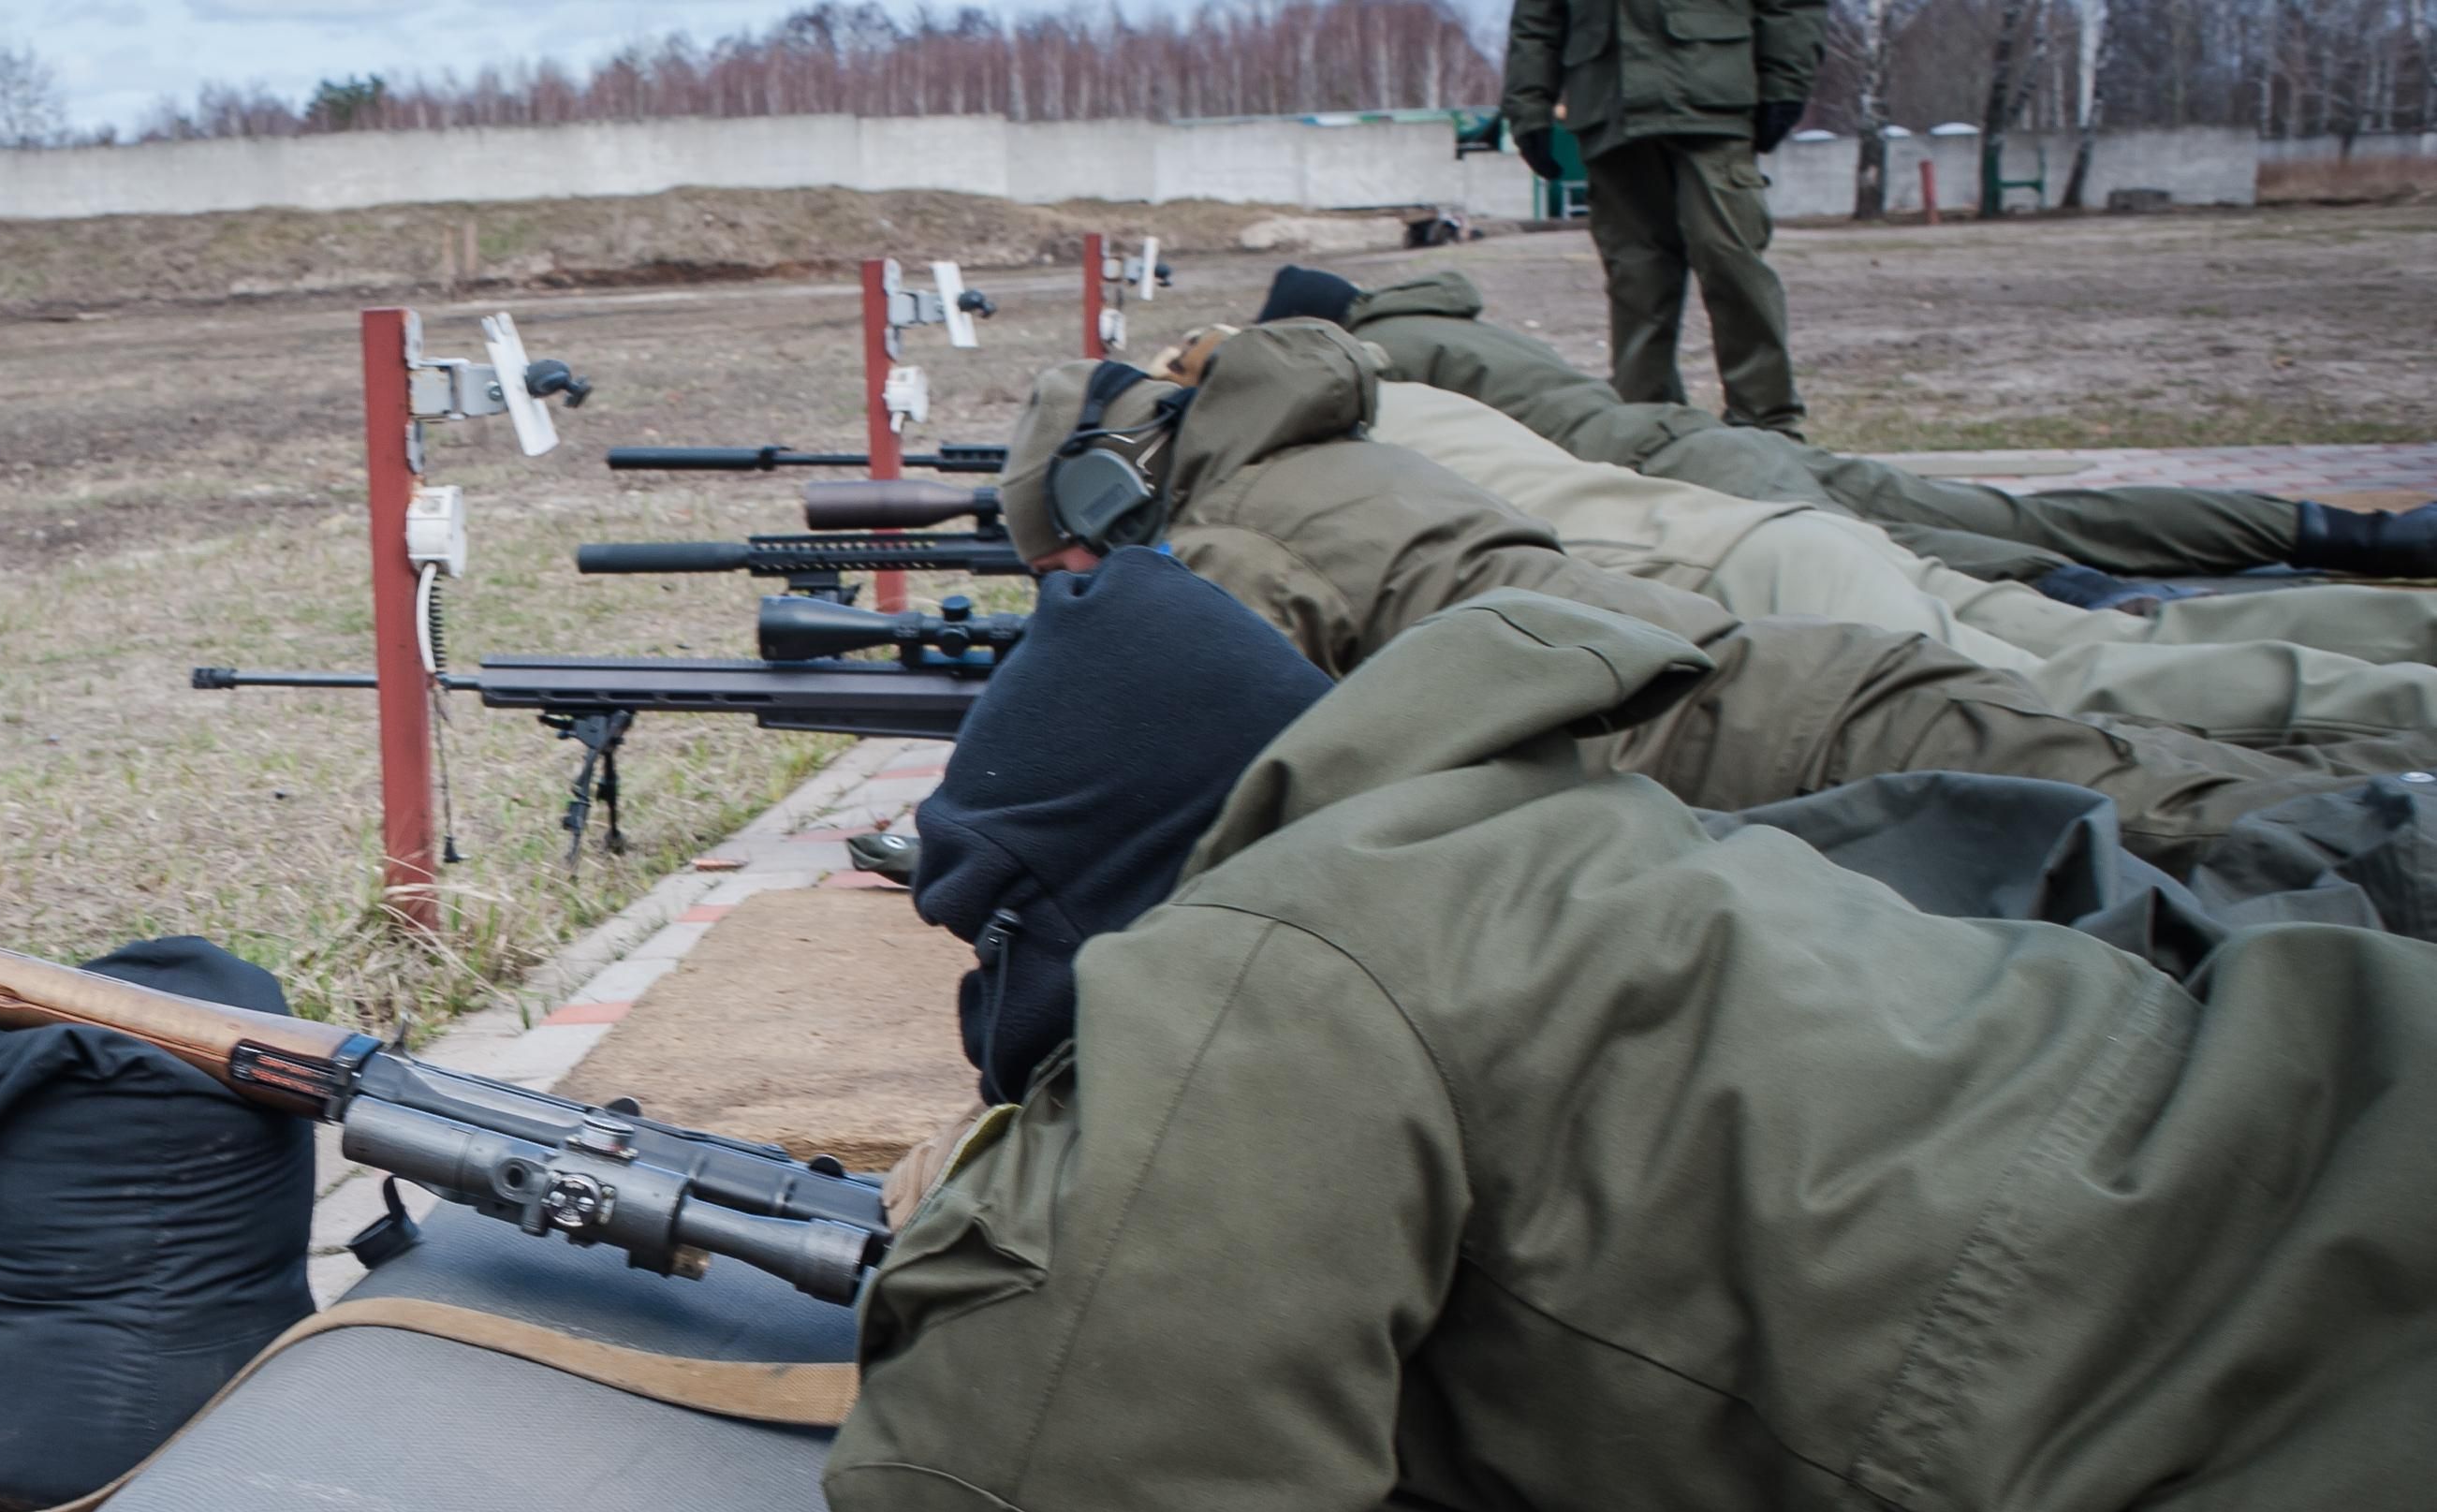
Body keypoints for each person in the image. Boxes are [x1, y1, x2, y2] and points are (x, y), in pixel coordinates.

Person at [829, 558, 2437, 1512]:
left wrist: (1017, 1198)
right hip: (2315, 1091)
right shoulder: (1539, 824)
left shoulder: (1283, 941)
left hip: (2276, 1332)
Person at [994, 333, 2386, 873]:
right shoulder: (1325, 457)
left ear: (1116, 501)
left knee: (2231, 834)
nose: (1083, 596)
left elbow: (1236, 808)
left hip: (1767, 733)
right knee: (2199, 756)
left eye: (1068, 566)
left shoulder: (1241, 543)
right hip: (1786, 668)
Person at [1356, 371, 2437, 759]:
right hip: (1763, 522)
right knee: (2116, 646)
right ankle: (2407, 662)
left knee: (2084, 699)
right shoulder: (1408, 394)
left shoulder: (1311, 463)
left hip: (1751, 574)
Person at [1271, 265, 2437, 599]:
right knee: (2031, 522)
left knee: (2021, 595)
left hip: (1705, 491)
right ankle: (2349, 533)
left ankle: (2269, 607)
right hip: (1721, 443)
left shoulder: (1388, 360)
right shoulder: (1456, 321)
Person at [1502, 0, 1823, 432]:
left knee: (1730, 259)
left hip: (1710, 94)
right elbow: (1537, 19)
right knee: (1637, 278)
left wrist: (1784, 80)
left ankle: (1768, 423)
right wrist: (1528, 106)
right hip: (1609, 103)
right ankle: (1648, 430)